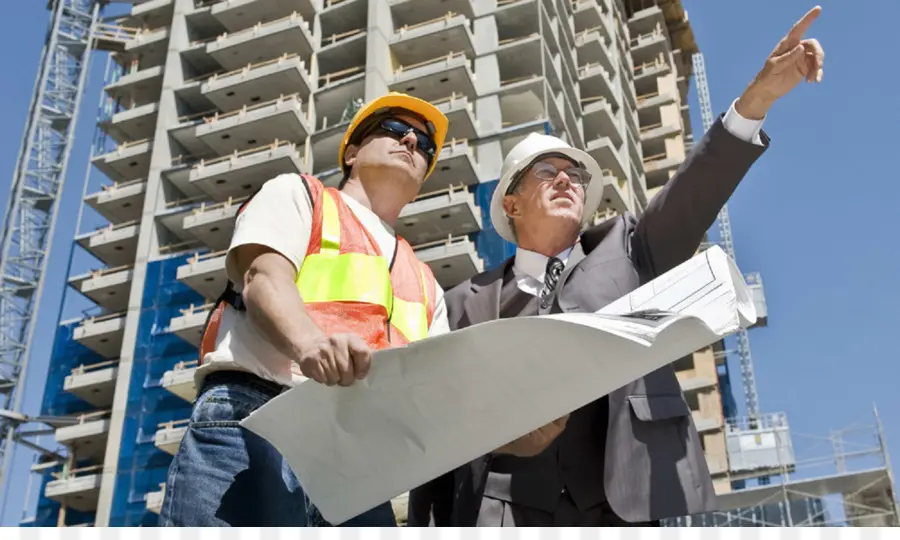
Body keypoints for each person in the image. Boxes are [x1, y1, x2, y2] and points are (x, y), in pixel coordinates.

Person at [408, 6, 825, 527]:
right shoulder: (460, 302)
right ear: (510, 205)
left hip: (620, 503)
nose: (567, 180)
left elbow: (694, 192)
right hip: (500, 509)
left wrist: (755, 101)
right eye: (548, 172)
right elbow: (440, 418)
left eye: (576, 175)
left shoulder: (630, 248)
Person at [159, 92, 452, 527]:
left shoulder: (428, 283)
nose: (411, 140)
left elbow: (433, 392)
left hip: (358, 466)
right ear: (351, 152)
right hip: (261, 414)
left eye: (425, 145)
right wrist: (309, 343)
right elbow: (264, 277)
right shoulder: (300, 195)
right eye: (393, 128)